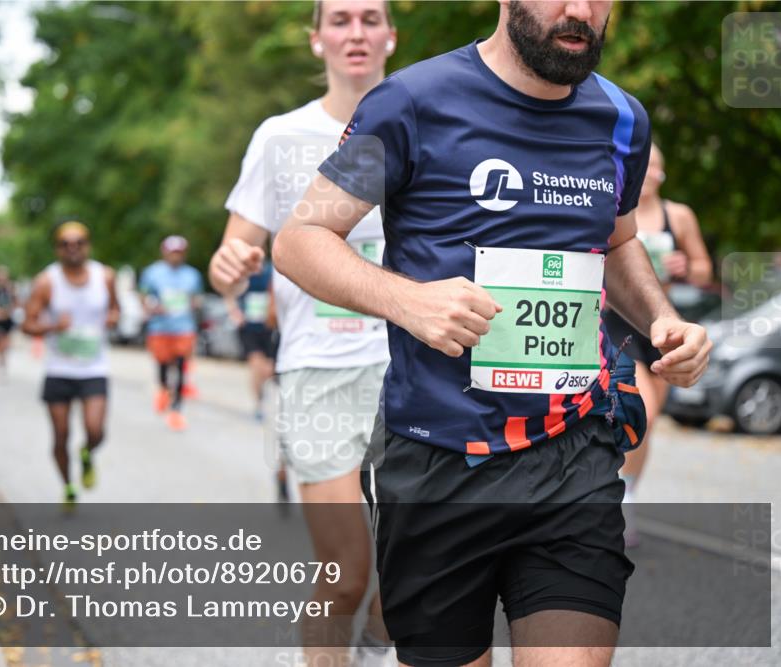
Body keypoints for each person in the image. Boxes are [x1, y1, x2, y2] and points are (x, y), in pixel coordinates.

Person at [271, 1, 712, 666]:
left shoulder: (623, 120)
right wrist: (408, 300)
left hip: (574, 453)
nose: (578, 11)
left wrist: (661, 318)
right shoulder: (410, 103)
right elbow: (301, 239)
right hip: (438, 461)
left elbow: (617, 243)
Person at [209, 2, 397, 663]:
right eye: (340, 20)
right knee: (346, 569)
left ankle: (377, 645)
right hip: (319, 371)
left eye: (370, 19)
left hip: (412, 368)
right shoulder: (279, 136)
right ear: (316, 39)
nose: (356, 32)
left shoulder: (423, 125)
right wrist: (230, 264)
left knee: (410, 570)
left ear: (390, 37)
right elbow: (230, 260)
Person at [603, 142, 712, 545]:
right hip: (620, 321)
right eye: (645, 168)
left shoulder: (678, 215)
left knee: (648, 424)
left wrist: (686, 268)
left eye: (657, 171)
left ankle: (628, 490)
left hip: (662, 326)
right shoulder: (614, 205)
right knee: (642, 411)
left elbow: (703, 268)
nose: (650, 176)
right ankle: (618, 495)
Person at [21, 221, 120, 505]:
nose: (72, 248)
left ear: (87, 246)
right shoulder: (47, 281)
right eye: (65, 244)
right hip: (59, 369)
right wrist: (52, 327)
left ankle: (87, 453)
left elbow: (115, 309)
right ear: (58, 249)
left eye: (78, 243)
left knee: (95, 430)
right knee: (61, 435)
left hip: (94, 367)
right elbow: (27, 325)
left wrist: (113, 317)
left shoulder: (106, 277)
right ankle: (68, 487)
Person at [140, 235, 204, 432]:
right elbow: (143, 296)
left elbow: (197, 299)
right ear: (165, 252)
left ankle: (176, 408)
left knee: (181, 365)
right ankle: (163, 390)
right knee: (162, 365)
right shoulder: (152, 273)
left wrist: (193, 305)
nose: (175, 256)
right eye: (172, 252)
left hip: (184, 327)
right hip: (160, 327)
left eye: (179, 252)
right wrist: (152, 307)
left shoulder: (192, 275)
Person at [226, 260, 278, 421]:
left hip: (269, 328)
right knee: (256, 365)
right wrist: (235, 312)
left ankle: (263, 393)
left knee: (269, 370)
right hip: (249, 328)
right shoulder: (241, 271)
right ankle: (259, 404)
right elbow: (229, 293)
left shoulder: (272, 271)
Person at [0, 265, 18, 376]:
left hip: (7, 321)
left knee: (5, 344)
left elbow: (14, 303)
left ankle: (3, 362)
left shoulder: (9, 289)